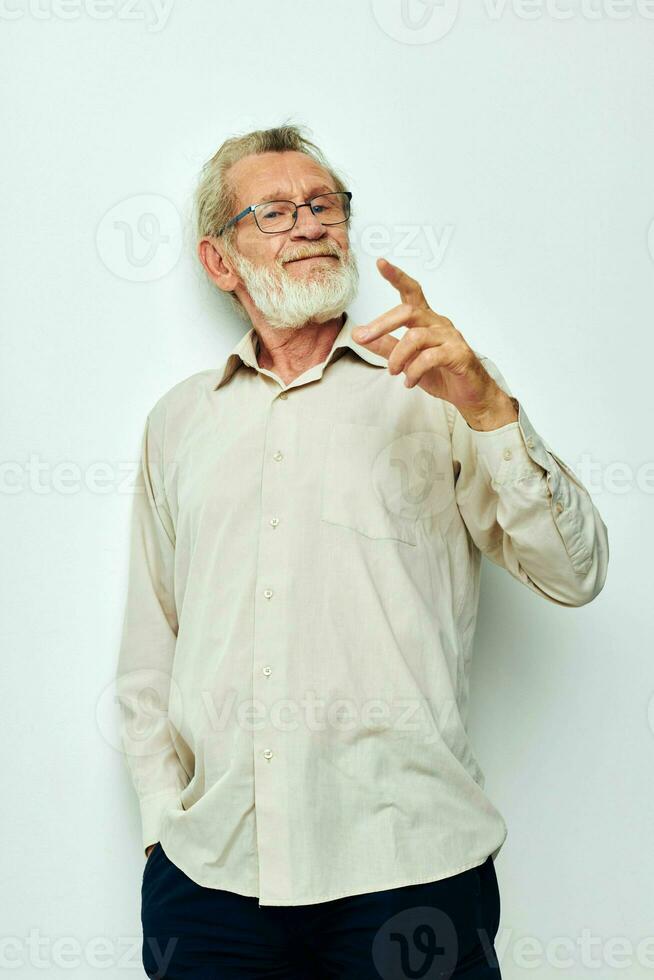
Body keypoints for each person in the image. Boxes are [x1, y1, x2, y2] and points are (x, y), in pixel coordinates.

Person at [116, 124, 609, 979]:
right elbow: (150, 646)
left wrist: (492, 410)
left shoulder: (439, 385)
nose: (310, 224)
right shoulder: (178, 422)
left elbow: (577, 575)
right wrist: (165, 826)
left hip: (412, 873)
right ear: (220, 261)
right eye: (273, 211)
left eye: (323, 204)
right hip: (212, 883)